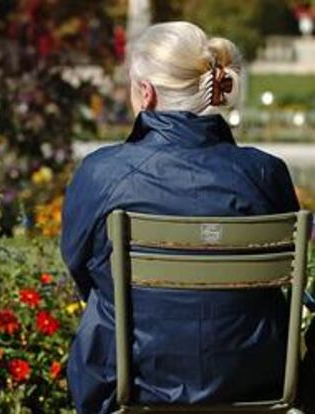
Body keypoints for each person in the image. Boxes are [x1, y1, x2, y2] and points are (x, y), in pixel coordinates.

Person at [60, 21, 299, 414]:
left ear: (146, 93)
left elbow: (79, 267)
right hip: (257, 376)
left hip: (130, 377)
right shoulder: (265, 172)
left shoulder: (101, 173)